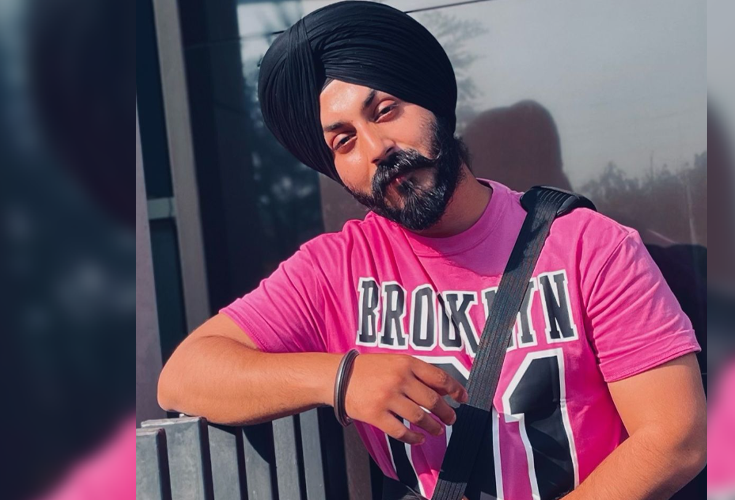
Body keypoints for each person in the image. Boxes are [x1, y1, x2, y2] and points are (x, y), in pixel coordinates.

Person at [157, 2, 706, 499]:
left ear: (433, 103)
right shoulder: (336, 268)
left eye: (385, 110)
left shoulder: (589, 245)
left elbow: (675, 436)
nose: (377, 149)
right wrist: (342, 379)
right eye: (344, 141)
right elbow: (184, 375)